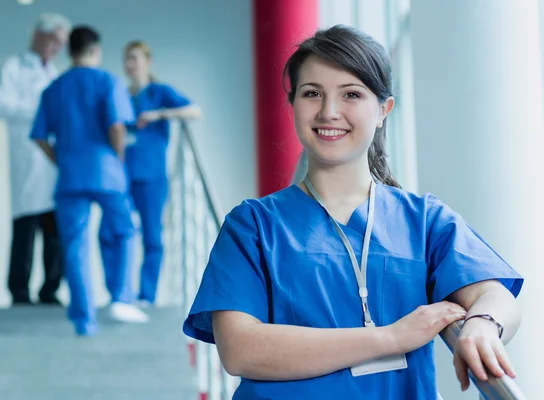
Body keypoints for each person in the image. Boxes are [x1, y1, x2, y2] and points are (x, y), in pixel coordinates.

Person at [183, 25, 524, 399]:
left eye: (351, 94)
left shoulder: (423, 220)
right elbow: (240, 350)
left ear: (383, 110)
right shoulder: (253, 225)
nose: (330, 112)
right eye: (312, 93)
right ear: (293, 104)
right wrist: (390, 337)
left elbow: (495, 296)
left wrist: (482, 324)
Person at [30, 26, 149, 336]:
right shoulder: (107, 81)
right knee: (124, 230)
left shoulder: (54, 87)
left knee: (74, 245)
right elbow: (117, 127)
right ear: (96, 50)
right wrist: (118, 159)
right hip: (106, 170)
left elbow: (40, 136)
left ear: (70, 51)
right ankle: (121, 297)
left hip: (70, 175)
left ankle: (84, 321)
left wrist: (61, 159)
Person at [100, 41, 201, 307]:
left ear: (148, 61)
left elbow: (194, 111)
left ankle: (147, 295)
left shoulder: (159, 92)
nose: (130, 65)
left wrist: (159, 115)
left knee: (152, 237)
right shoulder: (119, 93)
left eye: (135, 58)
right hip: (121, 176)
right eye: (126, 59)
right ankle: (119, 293)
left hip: (151, 176)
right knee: (111, 232)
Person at [0, 13, 71, 306]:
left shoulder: (54, 72)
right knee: (25, 229)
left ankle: (50, 289)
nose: (58, 48)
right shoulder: (14, 67)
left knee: (54, 230)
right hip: (28, 158)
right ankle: (20, 291)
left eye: (62, 44)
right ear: (39, 36)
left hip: (52, 159)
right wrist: (40, 112)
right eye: (55, 41)